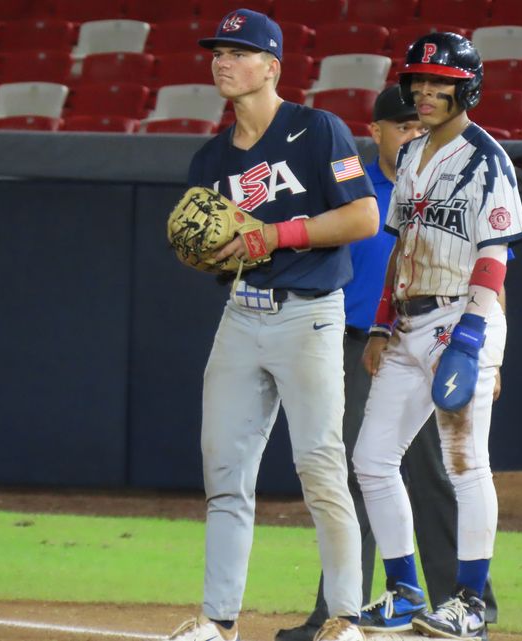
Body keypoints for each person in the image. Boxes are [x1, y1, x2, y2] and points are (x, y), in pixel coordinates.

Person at [167, 9, 379, 641]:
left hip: (310, 316)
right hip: (241, 316)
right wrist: (212, 251)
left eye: (237, 51)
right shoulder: (209, 160)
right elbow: (221, 252)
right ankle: (219, 622)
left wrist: (273, 235)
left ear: (272, 66)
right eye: (217, 51)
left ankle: (346, 618)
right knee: (225, 474)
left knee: (320, 466)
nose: (222, 61)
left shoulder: (317, 131)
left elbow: (364, 216)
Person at [352, 32, 522, 640]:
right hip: (406, 322)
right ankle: (404, 590)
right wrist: (380, 324)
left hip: (463, 315)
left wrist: (474, 335)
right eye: (419, 83)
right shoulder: (411, 153)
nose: (425, 93)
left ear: (466, 90)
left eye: (439, 85)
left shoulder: (487, 158)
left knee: (465, 464)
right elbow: (400, 246)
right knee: (372, 460)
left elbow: (495, 252)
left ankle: (471, 603)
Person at [275, 84, 426, 641]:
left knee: (435, 477)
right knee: (357, 474)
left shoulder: (442, 183)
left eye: (420, 124)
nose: (413, 133)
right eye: (402, 125)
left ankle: (462, 605)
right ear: (377, 130)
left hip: (428, 342)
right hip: (358, 343)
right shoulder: (350, 185)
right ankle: (341, 613)